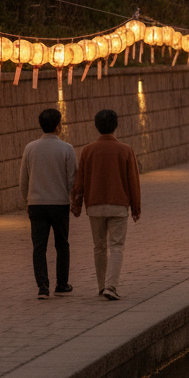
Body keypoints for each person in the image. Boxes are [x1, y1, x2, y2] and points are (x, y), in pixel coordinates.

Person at [70, 110, 142, 301]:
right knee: (117, 246)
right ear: (115, 125)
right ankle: (111, 285)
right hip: (118, 205)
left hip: (95, 205)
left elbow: (80, 180)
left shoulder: (88, 150)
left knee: (99, 246)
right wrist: (135, 207)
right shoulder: (125, 150)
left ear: (96, 126)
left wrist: (76, 203)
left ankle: (102, 286)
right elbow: (133, 181)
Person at [20, 108, 77, 300]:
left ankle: (42, 287)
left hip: (36, 204)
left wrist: (28, 199)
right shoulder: (67, 149)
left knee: (39, 246)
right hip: (59, 203)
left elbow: (24, 180)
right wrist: (70, 197)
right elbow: (72, 179)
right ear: (58, 126)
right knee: (62, 244)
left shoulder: (30, 148)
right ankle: (61, 284)